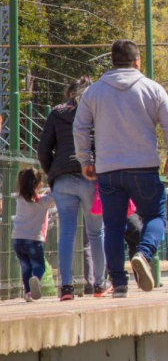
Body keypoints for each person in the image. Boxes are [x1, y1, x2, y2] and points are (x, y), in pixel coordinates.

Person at [74, 39, 168, 298]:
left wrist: (85, 160)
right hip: (143, 166)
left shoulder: (94, 92)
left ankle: (119, 285)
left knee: (112, 226)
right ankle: (143, 254)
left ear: (112, 61)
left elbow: (79, 127)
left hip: (108, 170)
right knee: (156, 216)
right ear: (137, 61)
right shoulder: (152, 88)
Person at [38, 75, 108, 297]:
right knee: (96, 232)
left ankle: (66, 287)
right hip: (91, 178)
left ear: (70, 91)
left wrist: (54, 172)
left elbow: (43, 150)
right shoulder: (97, 112)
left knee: (66, 233)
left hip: (63, 180)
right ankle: (99, 283)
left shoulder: (56, 113)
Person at [13, 168, 57, 302]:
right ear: (39, 184)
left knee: (26, 267)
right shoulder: (42, 202)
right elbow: (54, 197)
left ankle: (27, 293)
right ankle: (36, 278)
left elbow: (29, 195)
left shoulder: (19, 199)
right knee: (39, 266)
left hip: (17, 239)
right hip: (33, 239)